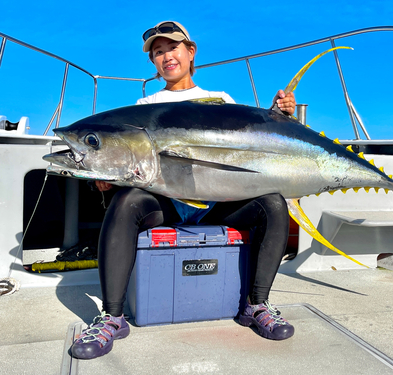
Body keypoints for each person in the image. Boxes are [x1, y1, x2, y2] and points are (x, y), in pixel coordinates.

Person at [70, 21, 297, 360]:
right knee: (126, 200)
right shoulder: (147, 103)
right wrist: (106, 174)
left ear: (190, 52)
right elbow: (133, 159)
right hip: (169, 203)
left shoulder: (221, 100)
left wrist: (278, 115)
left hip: (220, 202)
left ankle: (257, 305)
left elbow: (247, 142)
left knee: (274, 205)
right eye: (157, 53)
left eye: (172, 47)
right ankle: (112, 317)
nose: (165, 56)